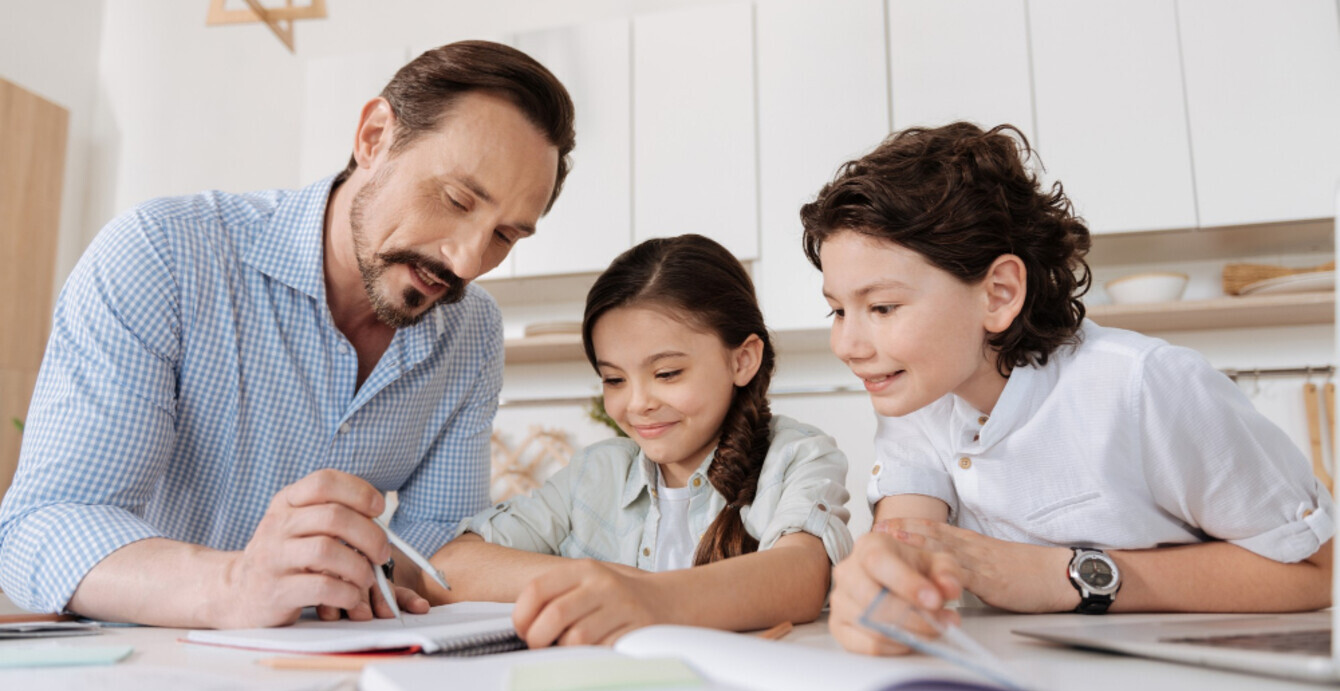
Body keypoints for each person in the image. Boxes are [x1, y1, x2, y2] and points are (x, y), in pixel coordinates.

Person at [0, 41, 575, 629]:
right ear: (374, 137)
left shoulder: (471, 331)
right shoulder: (164, 256)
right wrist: (234, 586)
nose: (467, 259)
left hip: (337, 661)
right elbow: (42, 523)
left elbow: (431, 549)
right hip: (144, 664)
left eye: (506, 235)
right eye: (456, 199)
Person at [801, 122, 1336, 655]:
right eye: (838, 310)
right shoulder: (915, 394)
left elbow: (1312, 569)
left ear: (999, 294)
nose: (847, 344)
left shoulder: (1143, 385)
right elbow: (911, 536)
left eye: (882, 308)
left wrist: (1066, 575)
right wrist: (886, 583)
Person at [413, 234, 853, 647]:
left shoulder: (796, 456)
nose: (637, 403)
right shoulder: (595, 474)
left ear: (742, 360)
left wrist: (644, 597)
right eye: (614, 379)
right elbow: (447, 570)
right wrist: (603, 580)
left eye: (667, 373)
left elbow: (800, 575)